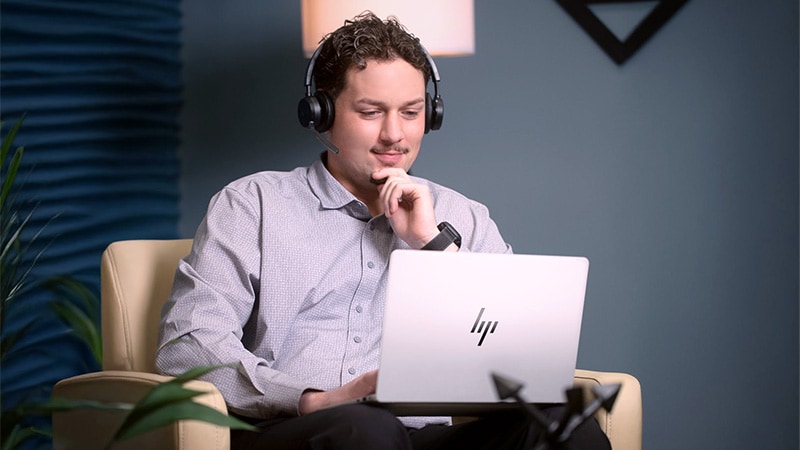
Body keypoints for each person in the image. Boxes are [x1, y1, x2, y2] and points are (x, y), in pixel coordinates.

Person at [156, 11, 611, 450]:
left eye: (411, 113)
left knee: (567, 428)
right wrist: (312, 399)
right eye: (371, 112)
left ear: (430, 115)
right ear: (322, 113)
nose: (395, 135)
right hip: (295, 428)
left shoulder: (463, 215)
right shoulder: (252, 204)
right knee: (365, 430)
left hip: (419, 435)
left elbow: (517, 360)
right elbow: (188, 347)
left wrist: (431, 246)